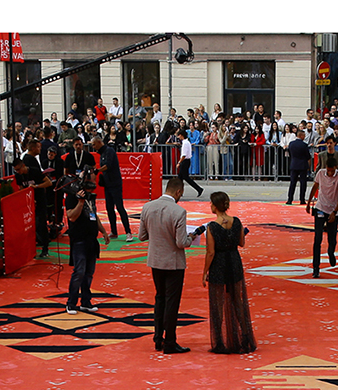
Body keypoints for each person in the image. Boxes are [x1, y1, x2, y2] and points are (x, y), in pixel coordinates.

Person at [139, 178, 198, 354]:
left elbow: (142, 236)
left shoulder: (147, 207)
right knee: (172, 302)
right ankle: (170, 341)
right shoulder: (178, 211)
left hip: (155, 260)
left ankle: (158, 338)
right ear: (178, 192)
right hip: (173, 263)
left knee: (160, 298)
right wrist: (191, 238)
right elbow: (181, 243)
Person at [200, 192, 256, 355]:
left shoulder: (212, 227)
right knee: (238, 301)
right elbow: (241, 243)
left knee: (217, 303)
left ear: (215, 206)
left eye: (211, 203)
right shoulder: (236, 221)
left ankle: (220, 341)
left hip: (218, 265)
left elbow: (210, 252)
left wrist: (205, 272)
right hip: (234, 262)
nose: (210, 206)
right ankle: (245, 337)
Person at [62, 174, 110, 315]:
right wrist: (80, 202)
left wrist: (103, 231)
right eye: (91, 180)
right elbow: (71, 216)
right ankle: (71, 303)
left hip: (91, 239)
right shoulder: (72, 197)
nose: (93, 183)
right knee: (79, 272)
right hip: (79, 239)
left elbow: (93, 214)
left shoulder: (91, 197)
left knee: (89, 273)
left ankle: (86, 301)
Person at [306, 157, 338, 278]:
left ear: (335, 168)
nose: (330, 173)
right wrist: (309, 202)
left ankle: (331, 252)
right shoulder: (320, 173)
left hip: (333, 209)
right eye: (328, 170)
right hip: (320, 207)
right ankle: (316, 267)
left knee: (332, 238)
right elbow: (315, 187)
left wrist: (335, 211)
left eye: (332, 171)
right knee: (317, 238)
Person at [90, 136, 131, 241]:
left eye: (94, 144)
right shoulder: (101, 154)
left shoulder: (109, 151)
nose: (93, 147)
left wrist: (97, 171)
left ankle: (128, 232)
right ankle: (114, 231)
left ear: (99, 142)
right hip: (107, 184)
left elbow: (107, 166)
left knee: (120, 207)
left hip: (115, 184)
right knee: (109, 208)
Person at [286, 128, 312, 205]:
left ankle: (290, 199)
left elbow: (290, 154)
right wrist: (308, 166)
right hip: (302, 165)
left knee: (292, 183)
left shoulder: (291, 144)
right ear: (301, 136)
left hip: (294, 164)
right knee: (303, 183)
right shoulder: (304, 145)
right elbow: (308, 156)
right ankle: (302, 199)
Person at [176, 129, 203, 197]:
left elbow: (184, 155)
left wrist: (179, 162)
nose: (178, 137)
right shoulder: (187, 142)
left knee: (185, 177)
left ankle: (198, 189)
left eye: (179, 135)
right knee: (180, 178)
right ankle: (180, 192)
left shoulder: (185, 143)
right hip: (186, 161)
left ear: (181, 135)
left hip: (185, 161)